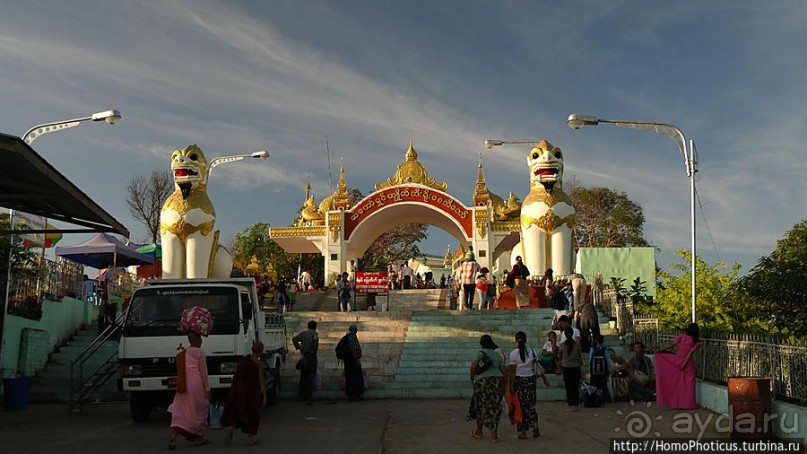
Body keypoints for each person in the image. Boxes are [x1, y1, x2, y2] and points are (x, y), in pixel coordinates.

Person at [168, 331, 210, 449]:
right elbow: (203, 372)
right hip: (196, 384)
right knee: (199, 411)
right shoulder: (200, 353)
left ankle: (174, 435)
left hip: (183, 385)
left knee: (181, 411)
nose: (201, 341)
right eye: (200, 339)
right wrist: (207, 387)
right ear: (197, 340)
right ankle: (198, 437)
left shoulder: (182, 354)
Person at [222, 340, 267, 446]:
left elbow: (238, 376)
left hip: (241, 390)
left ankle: (232, 428)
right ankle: (250, 438)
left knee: (241, 411)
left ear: (252, 350)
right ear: (261, 351)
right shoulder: (259, 364)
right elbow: (261, 381)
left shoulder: (244, 361)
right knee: (253, 414)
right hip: (252, 392)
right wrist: (264, 396)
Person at [509, 332, 551, 439]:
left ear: (516, 341)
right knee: (530, 404)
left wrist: (511, 385)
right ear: (525, 340)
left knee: (520, 406)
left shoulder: (514, 354)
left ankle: (523, 432)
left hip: (519, 381)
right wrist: (545, 379)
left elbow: (513, 372)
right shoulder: (531, 351)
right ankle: (535, 423)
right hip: (531, 380)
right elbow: (537, 366)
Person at [467, 334, 507, 443]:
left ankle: (479, 432)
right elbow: (504, 371)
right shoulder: (496, 355)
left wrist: (472, 378)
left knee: (480, 406)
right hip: (496, 381)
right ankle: (494, 435)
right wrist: (504, 384)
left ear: (481, 344)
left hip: (482, 382)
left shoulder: (479, 353)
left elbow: (474, 366)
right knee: (495, 407)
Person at [655, 324, 700, 409]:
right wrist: (685, 364)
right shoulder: (695, 342)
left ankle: (680, 403)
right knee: (689, 386)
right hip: (688, 364)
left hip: (679, 361)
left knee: (680, 384)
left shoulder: (682, 337)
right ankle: (689, 404)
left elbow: (673, 345)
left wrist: (662, 349)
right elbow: (689, 354)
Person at [292, 320, 319, 405]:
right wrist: (313, 349)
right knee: (311, 376)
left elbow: (294, 339)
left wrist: (299, 348)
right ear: (315, 327)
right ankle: (309, 396)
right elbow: (315, 343)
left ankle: (302, 394)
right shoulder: (315, 334)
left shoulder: (303, 334)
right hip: (311, 356)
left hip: (304, 356)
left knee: (303, 376)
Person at [557, 326, 582, 412]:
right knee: (575, 387)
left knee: (569, 387)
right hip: (576, 367)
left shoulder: (563, 345)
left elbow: (559, 356)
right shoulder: (577, 345)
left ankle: (571, 406)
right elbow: (580, 356)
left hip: (567, 368)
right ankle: (576, 405)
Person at [343, 323, 365, 401]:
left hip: (348, 361)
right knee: (355, 378)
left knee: (349, 377)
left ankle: (350, 395)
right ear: (355, 330)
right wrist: (357, 361)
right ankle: (355, 395)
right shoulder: (352, 338)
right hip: (352, 361)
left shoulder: (348, 337)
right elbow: (354, 350)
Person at [588, 334, 610, 401]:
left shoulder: (593, 349)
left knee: (594, 383)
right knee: (603, 384)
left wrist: (590, 367)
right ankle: (604, 397)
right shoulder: (604, 349)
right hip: (603, 370)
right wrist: (608, 369)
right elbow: (607, 360)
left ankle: (595, 397)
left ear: (595, 340)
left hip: (594, 370)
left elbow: (590, 359)